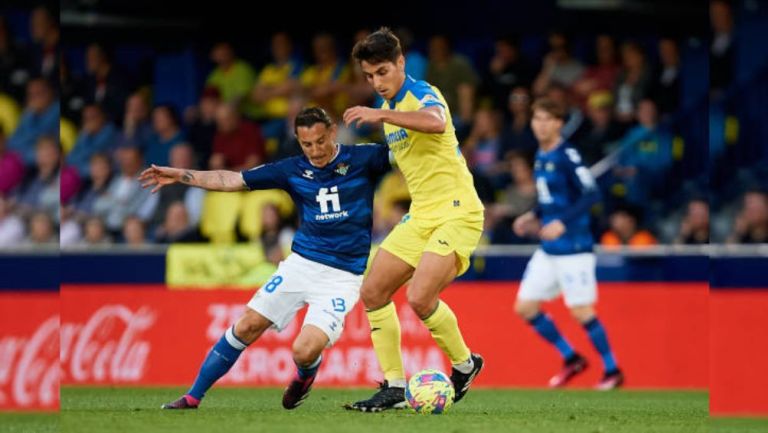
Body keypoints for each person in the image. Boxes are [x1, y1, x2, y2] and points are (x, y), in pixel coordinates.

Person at [141, 107, 391, 410]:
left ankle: (304, 375)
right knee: (247, 324)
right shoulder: (292, 169)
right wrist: (182, 175)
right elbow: (230, 180)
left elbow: (411, 156)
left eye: (320, 141)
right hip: (301, 265)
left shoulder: (364, 157)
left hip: (342, 277)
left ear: (332, 132)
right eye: (306, 144)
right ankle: (193, 396)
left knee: (303, 350)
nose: (315, 151)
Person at [342, 28, 484, 412]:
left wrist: (381, 111)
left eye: (383, 72)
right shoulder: (391, 115)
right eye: (370, 77)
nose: (377, 82)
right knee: (372, 291)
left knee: (420, 297)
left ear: (401, 63)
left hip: (458, 211)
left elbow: (436, 121)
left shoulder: (422, 93)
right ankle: (392, 386)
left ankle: (465, 365)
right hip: (421, 215)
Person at [512, 97, 624, 390]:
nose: (541, 125)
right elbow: (550, 197)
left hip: (574, 247)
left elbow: (590, 194)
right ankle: (571, 358)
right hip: (550, 250)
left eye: (547, 119)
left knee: (581, 311)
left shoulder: (568, 155)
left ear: (559, 123)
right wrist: (532, 215)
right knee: (525, 307)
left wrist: (562, 222)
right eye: (537, 119)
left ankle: (612, 371)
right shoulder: (540, 154)